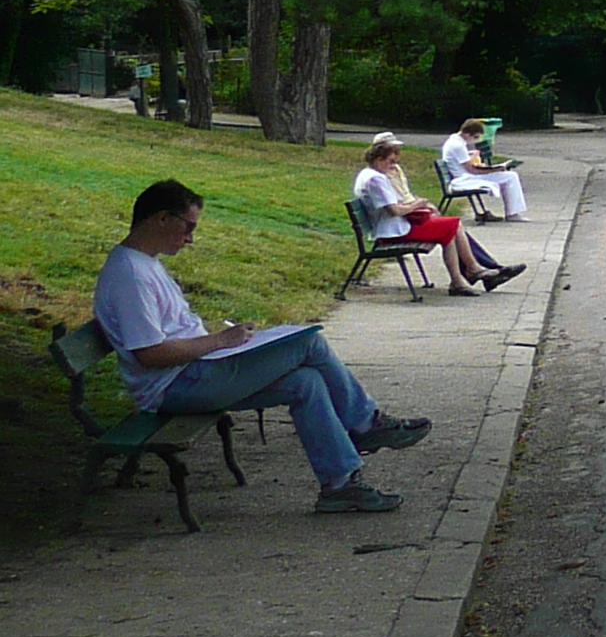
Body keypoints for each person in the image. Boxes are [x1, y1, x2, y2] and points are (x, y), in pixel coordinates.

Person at [97, 179, 431, 513]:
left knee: (306, 383)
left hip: (197, 372)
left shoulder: (144, 263)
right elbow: (150, 354)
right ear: (161, 218)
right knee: (308, 343)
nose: (190, 238)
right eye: (188, 227)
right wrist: (220, 341)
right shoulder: (130, 274)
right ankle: (365, 424)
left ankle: (339, 485)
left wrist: (228, 344)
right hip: (175, 386)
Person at [353, 138, 523, 295]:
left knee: (450, 227)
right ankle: (468, 273)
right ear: (379, 160)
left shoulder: (369, 175)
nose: (393, 166)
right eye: (390, 162)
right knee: (452, 225)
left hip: (392, 226)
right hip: (393, 231)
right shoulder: (377, 179)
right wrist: (418, 205)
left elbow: (395, 205)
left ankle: (464, 277)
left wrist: (418, 206)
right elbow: (394, 211)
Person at [438, 117, 529, 221]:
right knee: (511, 177)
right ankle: (512, 214)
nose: (474, 140)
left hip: (466, 175)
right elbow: (472, 170)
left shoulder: (455, 142)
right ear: (468, 134)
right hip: (466, 179)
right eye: (475, 137)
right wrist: (496, 169)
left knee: (510, 176)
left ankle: (512, 212)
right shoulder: (457, 145)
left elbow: (466, 164)